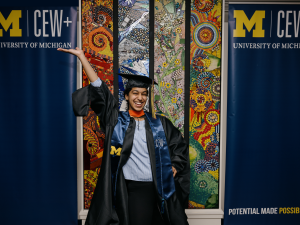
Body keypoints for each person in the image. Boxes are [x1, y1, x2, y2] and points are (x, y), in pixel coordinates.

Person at [58, 47, 190, 225]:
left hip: (162, 189)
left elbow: (179, 147)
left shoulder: (160, 124)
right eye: (135, 93)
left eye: (144, 94)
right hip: (134, 188)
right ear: (126, 96)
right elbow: (100, 91)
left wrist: (174, 164)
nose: (140, 98)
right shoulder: (116, 121)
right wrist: (82, 57)